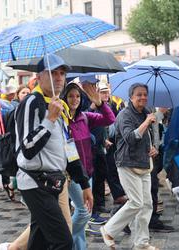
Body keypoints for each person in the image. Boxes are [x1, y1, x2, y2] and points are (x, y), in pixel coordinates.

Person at [14, 54, 92, 249]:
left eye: (62, 73)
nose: (58, 78)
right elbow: (28, 148)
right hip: (34, 182)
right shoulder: (32, 102)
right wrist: (49, 119)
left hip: (54, 181)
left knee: (39, 241)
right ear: (38, 77)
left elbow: (68, 148)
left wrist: (84, 183)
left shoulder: (60, 106)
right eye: (52, 73)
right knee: (62, 241)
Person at [100, 83, 159, 250]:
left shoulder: (147, 112)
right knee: (136, 203)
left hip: (144, 164)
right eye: (138, 95)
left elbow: (148, 136)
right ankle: (108, 229)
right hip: (127, 164)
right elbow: (130, 138)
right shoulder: (124, 115)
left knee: (146, 206)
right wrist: (147, 122)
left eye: (145, 94)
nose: (143, 97)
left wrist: (154, 147)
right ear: (131, 97)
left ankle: (141, 243)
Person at [62, 82, 115, 249]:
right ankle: (65, 240)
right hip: (72, 175)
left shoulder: (84, 117)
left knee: (84, 211)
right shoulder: (62, 121)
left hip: (88, 173)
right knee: (84, 211)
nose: (74, 99)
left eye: (77, 96)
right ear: (64, 97)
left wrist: (100, 103)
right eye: (70, 96)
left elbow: (109, 119)